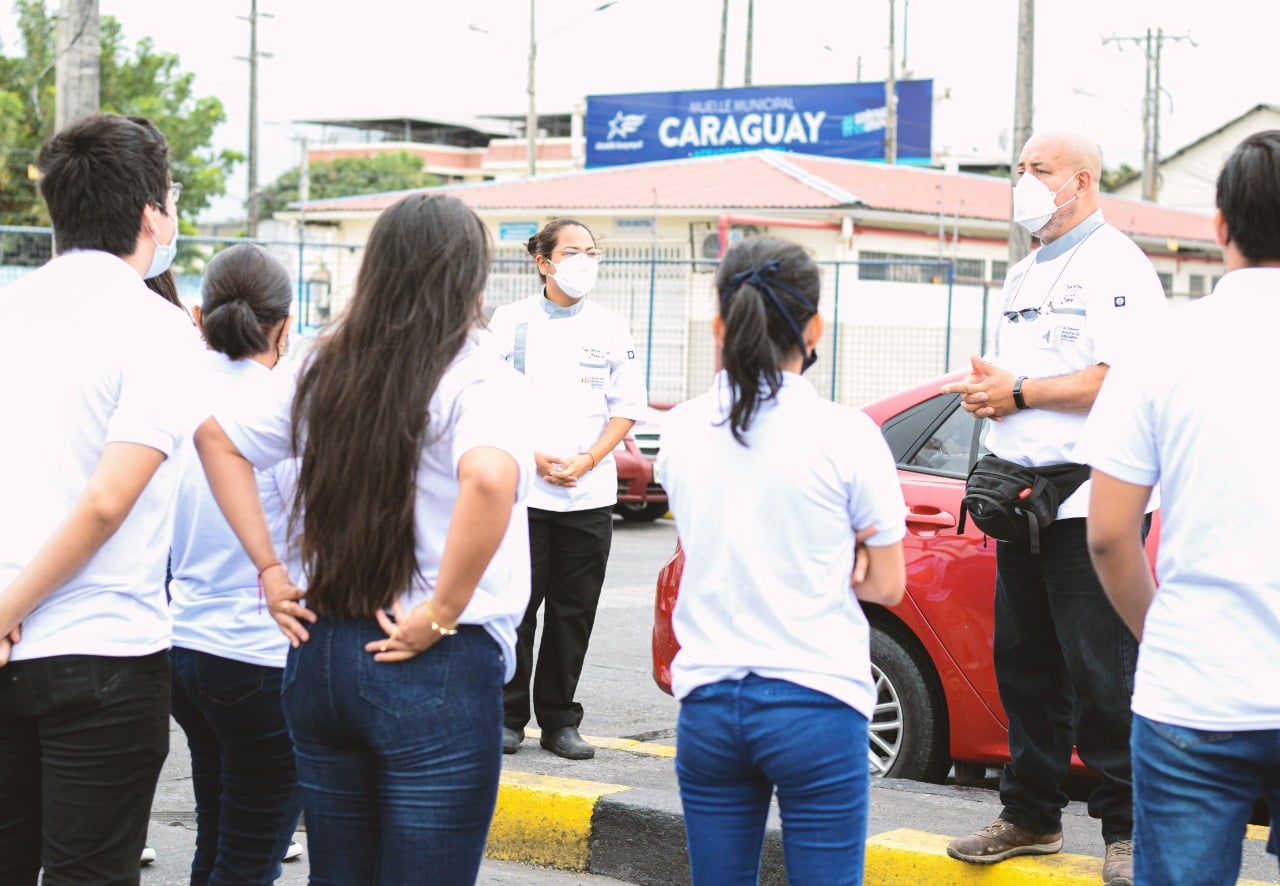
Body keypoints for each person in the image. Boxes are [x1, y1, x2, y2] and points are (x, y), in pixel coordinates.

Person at [193, 193, 533, 883]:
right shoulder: (476, 374)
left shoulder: (320, 366)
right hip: (429, 656)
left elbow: (217, 438)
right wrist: (442, 609)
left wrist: (269, 568)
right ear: (470, 278)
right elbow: (491, 480)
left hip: (321, 651)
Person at [941, 130, 1166, 886]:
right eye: (1020, 168)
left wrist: (1022, 392)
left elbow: (1125, 377)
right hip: (1021, 496)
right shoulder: (1025, 272)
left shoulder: (1117, 265)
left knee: (1105, 673)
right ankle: (1031, 815)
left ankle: (1128, 831)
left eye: (1039, 169)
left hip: (1090, 500)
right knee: (1026, 666)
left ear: (1082, 180)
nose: (1024, 181)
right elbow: (1025, 376)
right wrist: (989, 389)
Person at [655, 235, 907, 885]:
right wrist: (847, 549)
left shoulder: (680, 430)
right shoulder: (848, 435)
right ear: (815, 326)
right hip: (816, 705)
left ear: (721, 323)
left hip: (709, 706)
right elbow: (888, 583)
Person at [0, 113, 198, 883]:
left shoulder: (9, 309)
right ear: (152, 213)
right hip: (103, 650)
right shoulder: (157, 327)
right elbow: (107, 501)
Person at [1081, 130, 1280, 885]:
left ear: (1221, 227)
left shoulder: (1161, 347)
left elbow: (1108, 535)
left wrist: (1160, 633)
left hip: (1195, 685)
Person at [487, 218, 647, 760]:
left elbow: (627, 407)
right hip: (524, 491)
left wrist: (589, 460)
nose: (586, 261)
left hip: (590, 493)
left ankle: (559, 719)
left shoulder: (610, 325)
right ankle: (508, 717)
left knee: (573, 610)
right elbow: (487, 401)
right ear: (544, 262)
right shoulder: (509, 321)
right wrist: (532, 456)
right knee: (518, 607)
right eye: (573, 251)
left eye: (592, 252)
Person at [168, 243, 303, 884]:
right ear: (284, 324)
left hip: (182, 650)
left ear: (199, 316)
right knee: (248, 860)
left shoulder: (167, 399)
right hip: (259, 657)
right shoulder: (284, 411)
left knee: (217, 842)